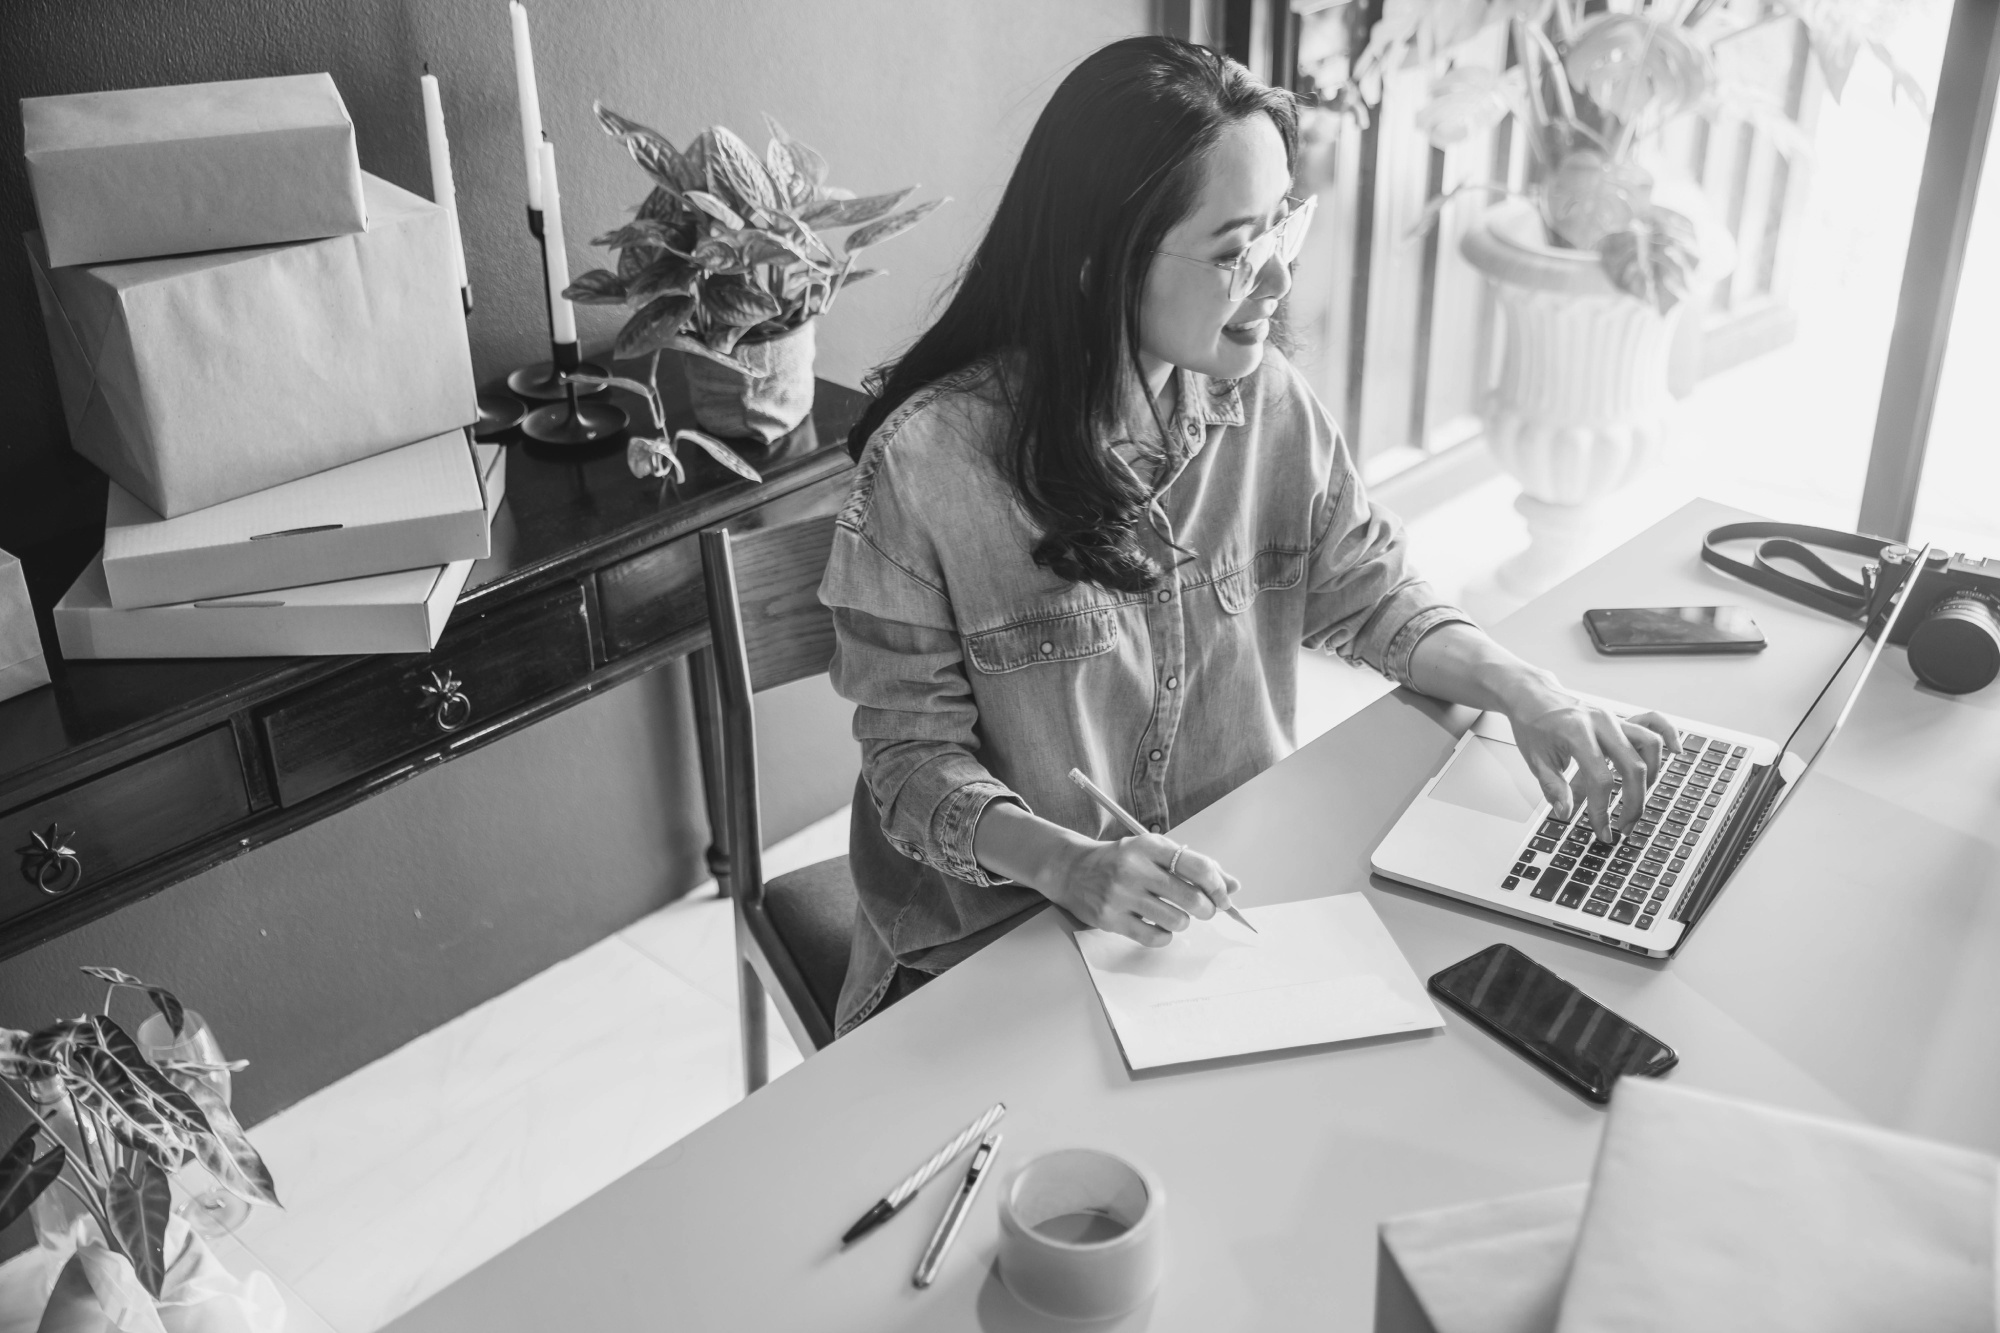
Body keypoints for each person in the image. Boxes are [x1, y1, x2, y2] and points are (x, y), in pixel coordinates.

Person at [818, 35, 1677, 1035]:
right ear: (1102, 265)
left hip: (1219, 905)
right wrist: (1071, 864)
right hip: (994, 939)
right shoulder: (928, 468)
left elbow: (1370, 589)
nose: (1273, 285)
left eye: (1279, 231)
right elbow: (910, 766)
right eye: (1234, 251)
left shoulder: (1261, 402)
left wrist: (1530, 692)